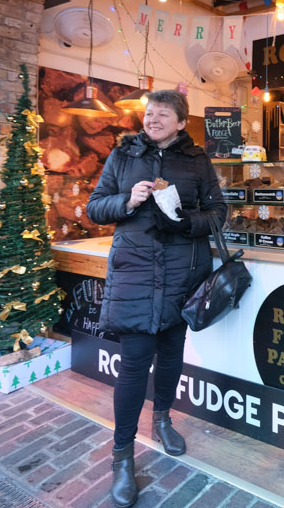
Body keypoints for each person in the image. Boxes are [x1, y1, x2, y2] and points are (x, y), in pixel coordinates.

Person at [87, 90, 227, 508]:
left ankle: (163, 419)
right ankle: (123, 456)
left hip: (184, 272)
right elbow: (95, 207)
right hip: (135, 272)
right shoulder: (123, 155)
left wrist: (186, 221)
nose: (153, 119)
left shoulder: (197, 160)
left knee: (170, 357)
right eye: (149, 114)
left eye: (163, 114)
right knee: (133, 366)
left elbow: (218, 212)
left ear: (182, 122)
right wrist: (127, 201)